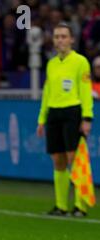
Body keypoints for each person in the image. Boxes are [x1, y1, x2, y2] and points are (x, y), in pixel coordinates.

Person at [37, 22, 94, 217]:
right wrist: (42, 118)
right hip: (54, 112)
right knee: (58, 160)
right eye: (56, 37)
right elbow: (47, 92)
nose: (60, 40)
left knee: (75, 159)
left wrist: (87, 117)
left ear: (71, 39)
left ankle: (80, 205)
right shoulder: (51, 64)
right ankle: (61, 205)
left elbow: (86, 92)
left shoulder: (80, 62)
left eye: (63, 36)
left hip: (72, 112)